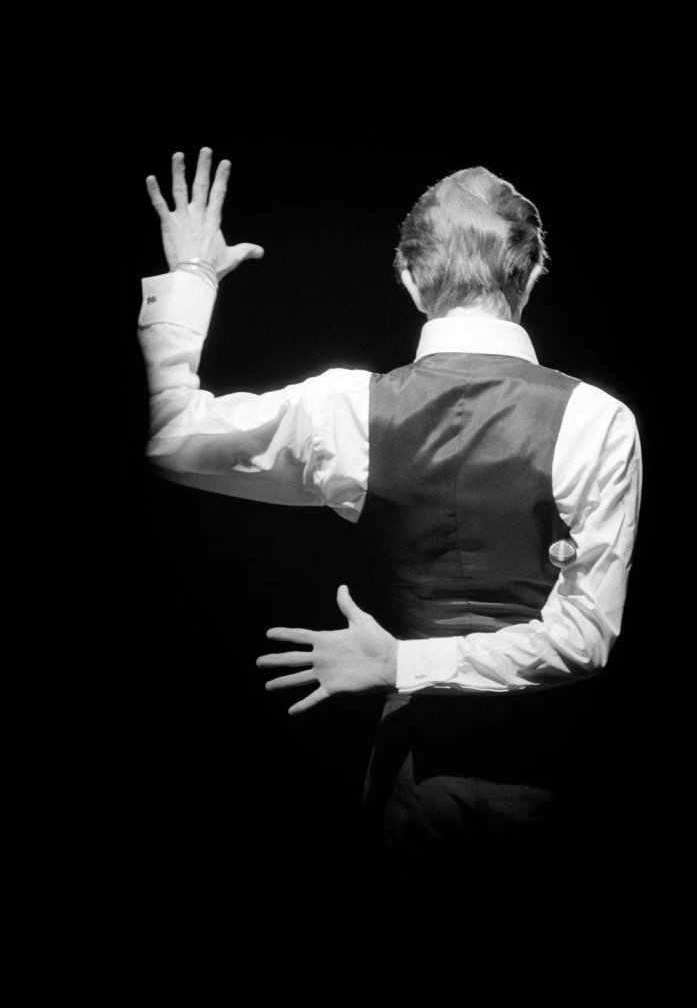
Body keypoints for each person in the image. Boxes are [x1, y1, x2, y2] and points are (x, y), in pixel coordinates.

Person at [139, 148, 642, 918]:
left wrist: (192, 275)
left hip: (414, 791)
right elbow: (585, 638)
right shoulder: (598, 420)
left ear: (410, 279)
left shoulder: (347, 410)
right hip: (554, 780)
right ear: (531, 273)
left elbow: (173, 438)